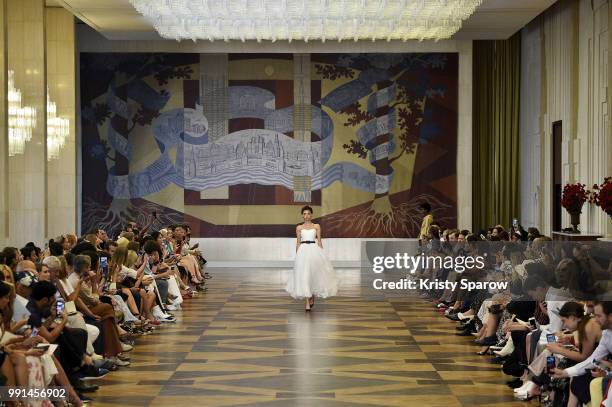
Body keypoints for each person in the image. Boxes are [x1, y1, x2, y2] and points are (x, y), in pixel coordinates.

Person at [285, 206, 339, 311]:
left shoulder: (316, 226)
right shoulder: (299, 228)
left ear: (311, 215)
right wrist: (297, 256)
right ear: (302, 215)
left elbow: (319, 241)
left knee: (313, 274)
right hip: (303, 251)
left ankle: (311, 295)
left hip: (314, 251)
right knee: (304, 275)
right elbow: (298, 243)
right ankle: (307, 302)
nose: (306, 216)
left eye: (308, 213)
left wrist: (322, 257)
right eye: (304, 214)